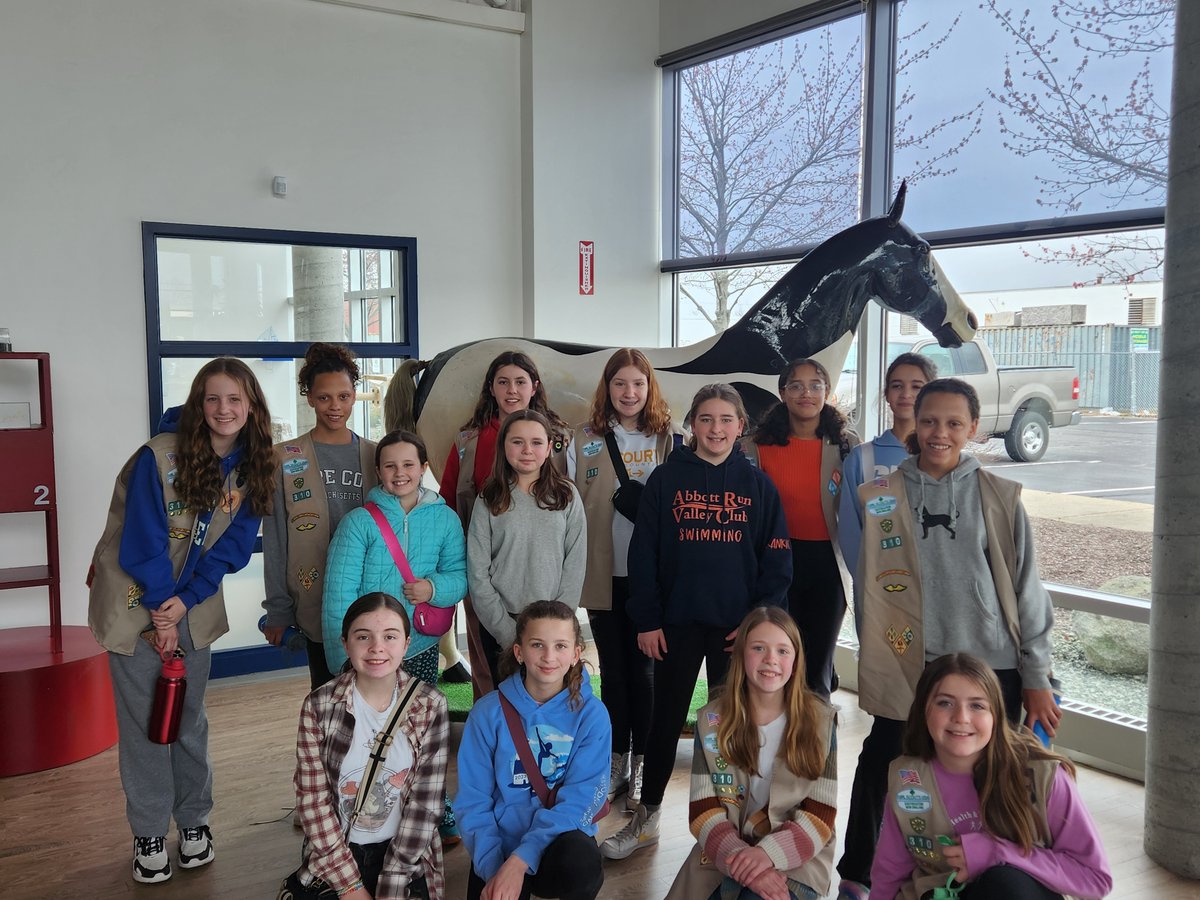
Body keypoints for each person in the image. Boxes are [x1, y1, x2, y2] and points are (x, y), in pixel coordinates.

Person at [837, 379, 1060, 900]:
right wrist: (878, 662)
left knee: (995, 775)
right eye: (930, 420)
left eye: (954, 423)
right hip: (912, 669)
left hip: (991, 666)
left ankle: (996, 873)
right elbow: (871, 589)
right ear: (916, 420)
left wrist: (1036, 676)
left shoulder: (1000, 498)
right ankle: (858, 873)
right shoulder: (882, 497)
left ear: (973, 429)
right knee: (885, 765)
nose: (940, 432)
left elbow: (1027, 590)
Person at [87, 358, 275, 884]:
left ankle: (194, 822)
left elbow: (232, 549)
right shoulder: (158, 455)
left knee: (187, 719)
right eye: (212, 399)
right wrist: (162, 609)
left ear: (251, 406)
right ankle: (148, 829)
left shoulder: (255, 462)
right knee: (145, 725)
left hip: (190, 606)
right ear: (198, 404)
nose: (224, 410)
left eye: (235, 399)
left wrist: (185, 603)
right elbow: (142, 541)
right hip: (135, 603)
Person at [602, 383, 792, 860]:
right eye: (706, 419)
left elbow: (776, 561)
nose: (716, 428)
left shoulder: (758, 486)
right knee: (663, 725)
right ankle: (645, 818)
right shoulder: (666, 481)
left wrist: (758, 625)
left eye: (726, 419)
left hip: (738, 633)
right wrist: (646, 620)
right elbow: (643, 555)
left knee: (738, 727)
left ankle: (740, 822)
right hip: (677, 626)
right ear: (691, 425)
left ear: (740, 427)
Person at [321, 430, 467, 846]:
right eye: (390, 465)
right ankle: (369, 805)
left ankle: (433, 804)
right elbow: (338, 595)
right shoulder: (359, 523)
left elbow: (461, 575)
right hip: (367, 655)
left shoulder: (445, 519)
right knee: (368, 734)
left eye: (408, 465)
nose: (399, 473)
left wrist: (433, 589)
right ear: (378, 471)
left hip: (418, 646)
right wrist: (343, 659)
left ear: (423, 468)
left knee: (420, 731)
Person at [870, 654, 1112, 900]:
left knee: (1003, 882)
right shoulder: (908, 779)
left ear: (995, 715)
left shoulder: (1044, 777)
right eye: (945, 703)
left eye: (977, 705)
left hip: (1013, 893)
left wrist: (995, 852)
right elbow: (889, 872)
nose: (961, 717)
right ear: (923, 710)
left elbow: (1095, 879)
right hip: (937, 893)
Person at [566, 348, 680, 808]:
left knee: (646, 674)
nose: (629, 393)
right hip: (602, 573)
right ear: (607, 388)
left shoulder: (670, 439)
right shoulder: (583, 437)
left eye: (638, 384)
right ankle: (616, 761)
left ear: (649, 387)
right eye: (620, 384)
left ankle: (644, 766)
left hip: (651, 578)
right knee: (614, 673)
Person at [666, 606, 838, 900]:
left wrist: (766, 857)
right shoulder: (710, 721)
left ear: (795, 662)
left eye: (783, 651)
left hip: (797, 853)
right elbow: (703, 810)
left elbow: (820, 815)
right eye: (759, 648)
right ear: (739, 655)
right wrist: (744, 862)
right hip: (726, 849)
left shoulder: (820, 721)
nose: (771, 659)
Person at [292, 593, 449, 900]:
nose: (377, 647)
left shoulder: (430, 705)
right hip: (337, 851)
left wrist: (392, 883)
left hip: (406, 855)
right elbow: (312, 800)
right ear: (345, 643)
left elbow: (426, 805)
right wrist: (350, 886)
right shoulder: (319, 705)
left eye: (390, 636)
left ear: (406, 645)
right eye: (363, 636)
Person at [456, 600, 610, 900]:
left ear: (577, 653)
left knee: (582, 864)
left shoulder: (592, 714)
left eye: (561, 646)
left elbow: (581, 800)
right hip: (500, 846)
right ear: (519, 652)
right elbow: (473, 802)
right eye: (537, 644)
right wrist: (495, 869)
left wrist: (522, 859)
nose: (549, 656)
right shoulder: (487, 713)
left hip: (560, 841)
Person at [440, 350, 570, 699]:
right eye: (503, 382)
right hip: (483, 571)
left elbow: (569, 513)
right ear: (491, 389)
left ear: (534, 387)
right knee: (488, 658)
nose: (511, 389)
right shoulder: (468, 441)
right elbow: (449, 501)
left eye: (520, 381)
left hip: (544, 581)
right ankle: (491, 725)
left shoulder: (559, 439)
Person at [262, 342, 378, 689]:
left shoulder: (377, 456)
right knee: (327, 696)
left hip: (370, 597)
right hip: (315, 603)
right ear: (309, 397)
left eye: (343, 396)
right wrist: (278, 609)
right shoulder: (283, 459)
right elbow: (277, 540)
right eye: (325, 397)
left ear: (355, 395)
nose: (335, 406)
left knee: (376, 696)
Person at [747, 357, 859, 699]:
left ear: (827, 392)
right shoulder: (757, 445)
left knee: (818, 667)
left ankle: (818, 748)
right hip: (775, 563)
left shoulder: (845, 444)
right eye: (795, 385)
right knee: (778, 663)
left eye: (815, 385)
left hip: (827, 564)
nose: (805, 393)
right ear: (782, 393)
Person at [467, 409, 586, 689]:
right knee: (508, 710)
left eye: (536, 442)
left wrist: (557, 628)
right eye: (517, 441)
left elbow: (575, 564)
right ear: (504, 446)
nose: (527, 450)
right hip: (502, 624)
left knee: (549, 710)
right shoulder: (489, 499)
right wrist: (507, 633)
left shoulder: (566, 496)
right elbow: (477, 571)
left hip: (552, 629)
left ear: (548, 447)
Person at [837, 353, 938, 607]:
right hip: (878, 594)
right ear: (886, 394)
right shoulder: (863, 457)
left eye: (917, 386)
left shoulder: (943, 457)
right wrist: (871, 582)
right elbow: (851, 531)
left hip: (936, 592)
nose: (906, 394)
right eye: (897, 386)